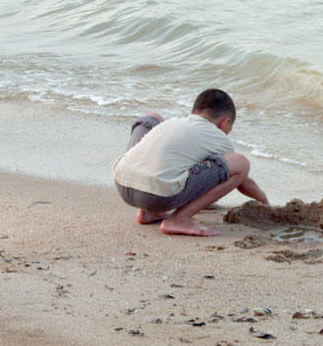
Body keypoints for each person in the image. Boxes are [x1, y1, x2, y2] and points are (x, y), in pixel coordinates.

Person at [113, 88, 269, 237]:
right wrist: (263, 201)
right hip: (157, 197)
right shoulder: (218, 137)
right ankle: (179, 220)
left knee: (153, 117)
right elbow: (241, 179)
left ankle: (147, 212)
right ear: (225, 122)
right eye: (229, 128)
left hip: (122, 185)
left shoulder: (175, 122)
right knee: (241, 162)